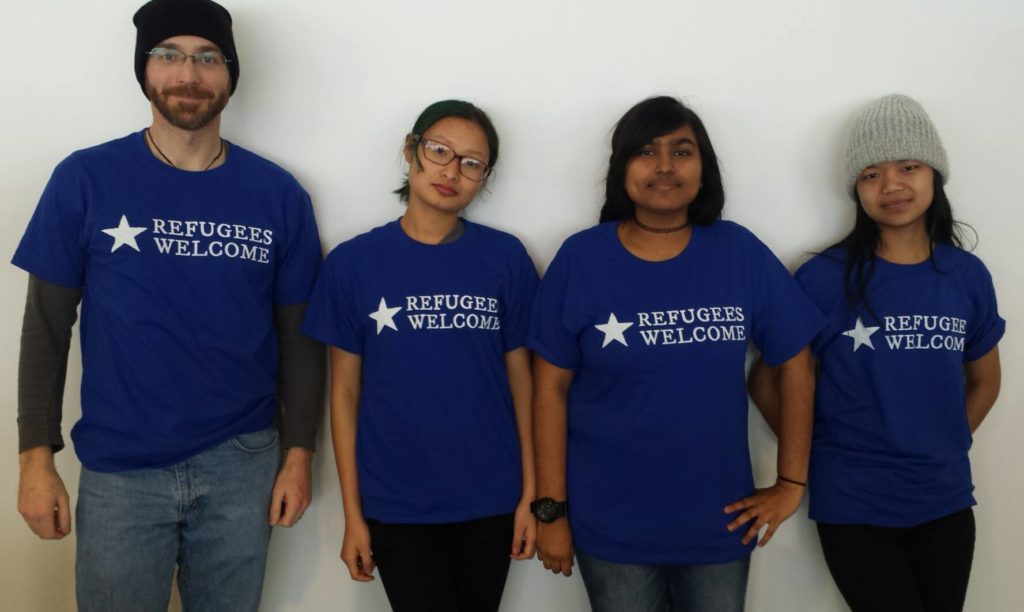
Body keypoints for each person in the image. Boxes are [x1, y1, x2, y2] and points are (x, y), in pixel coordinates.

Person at [13, 1, 325, 610]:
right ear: (144, 69)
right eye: (169, 55)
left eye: (208, 58)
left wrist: (299, 454)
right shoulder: (85, 178)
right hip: (121, 468)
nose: (189, 74)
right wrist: (35, 459)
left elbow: (300, 339)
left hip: (243, 462)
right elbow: (45, 330)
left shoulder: (278, 194)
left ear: (230, 74)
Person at [528, 95, 822, 612]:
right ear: (622, 170)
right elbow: (548, 388)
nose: (664, 166)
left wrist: (791, 481)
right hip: (610, 526)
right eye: (646, 151)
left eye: (682, 152)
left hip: (720, 523)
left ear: (703, 169)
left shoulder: (739, 252)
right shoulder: (581, 258)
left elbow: (796, 359)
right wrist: (551, 513)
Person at [748, 94, 1003, 612]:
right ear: (855, 189)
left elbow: (985, 381)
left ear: (935, 174)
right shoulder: (822, 277)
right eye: (871, 173)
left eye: (908, 167)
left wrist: (945, 441)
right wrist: (814, 453)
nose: (892, 185)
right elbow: (766, 382)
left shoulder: (967, 276)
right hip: (854, 502)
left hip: (946, 499)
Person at [302, 99, 539, 612]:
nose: (452, 171)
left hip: (491, 499)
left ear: (484, 177)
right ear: (410, 151)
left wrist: (531, 497)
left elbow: (524, 383)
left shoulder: (506, 259)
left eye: (471, 163)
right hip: (396, 501)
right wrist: (354, 515)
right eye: (439, 151)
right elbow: (343, 395)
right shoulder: (352, 264)